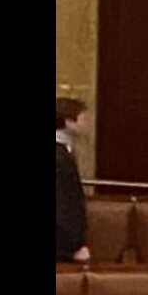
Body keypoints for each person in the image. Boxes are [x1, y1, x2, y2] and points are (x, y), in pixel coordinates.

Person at [56, 97, 90, 263]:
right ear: (69, 121)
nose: (87, 124)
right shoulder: (59, 158)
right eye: (83, 118)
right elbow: (62, 205)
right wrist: (72, 248)